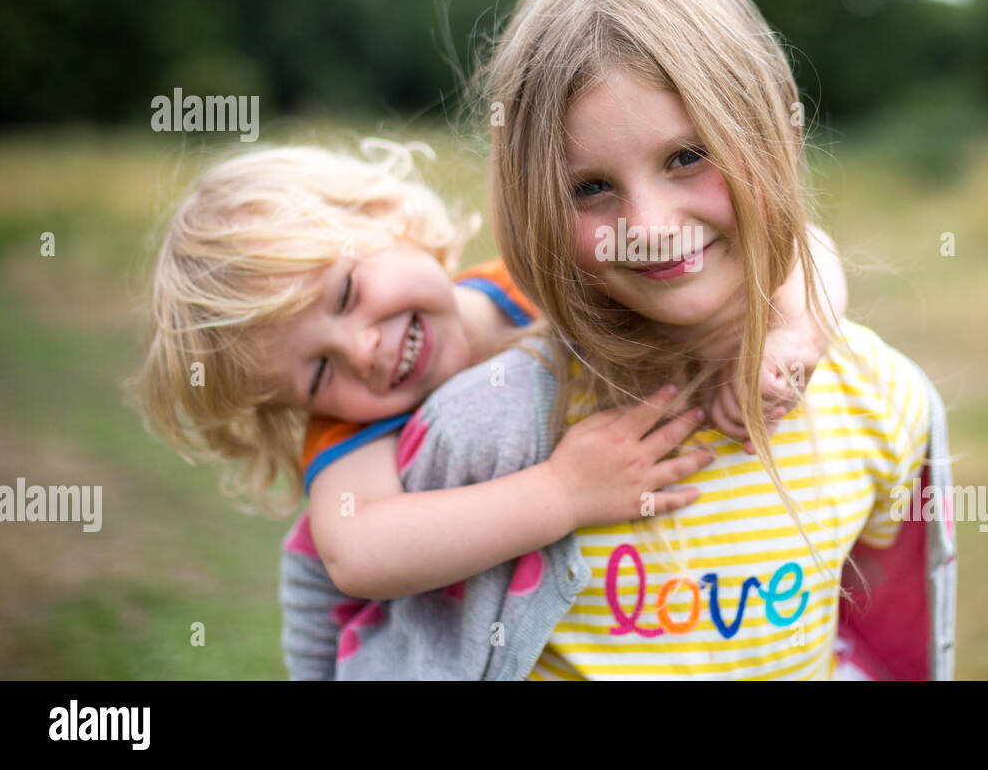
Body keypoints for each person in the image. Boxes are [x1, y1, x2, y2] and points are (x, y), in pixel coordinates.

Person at [283, 0, 954, 680]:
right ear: (534, 205)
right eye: (592, 187)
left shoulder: (880, 401)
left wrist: (798, 336)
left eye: (686, 157)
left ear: (776, 134)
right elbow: (354, 599)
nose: (649, 227)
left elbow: (870, 630)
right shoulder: (487, 432)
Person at [131, 136, 848, 676]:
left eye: (347, 293)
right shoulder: (349, 428)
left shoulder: (536, 275)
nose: (363, 350)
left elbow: (799, 248)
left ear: (386, 219)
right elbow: (357, 552)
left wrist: (793, 334)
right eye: (318, 370)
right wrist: (562, 493)